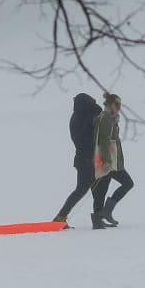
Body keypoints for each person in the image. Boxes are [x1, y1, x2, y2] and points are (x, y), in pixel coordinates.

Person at [53, 93, 102, 229]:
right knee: (81, 189)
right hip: (84, 160)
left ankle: (98, 216)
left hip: (88, 159)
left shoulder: (83, 116)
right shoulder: (79, 120)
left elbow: (97, 113)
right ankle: (60, 217)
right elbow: (85, 140)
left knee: (92, 187)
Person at [93, 93, 135, 228]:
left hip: (110, 159)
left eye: (120, 104)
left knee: (101, 190)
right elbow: (104, 141)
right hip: (109, 161)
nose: (119, 107)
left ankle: (99, 219)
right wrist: (107, 161)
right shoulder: (106, 118)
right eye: (117, 104)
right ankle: (105, 212)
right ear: (110, 104)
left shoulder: (109, 118)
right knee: (128, 183)